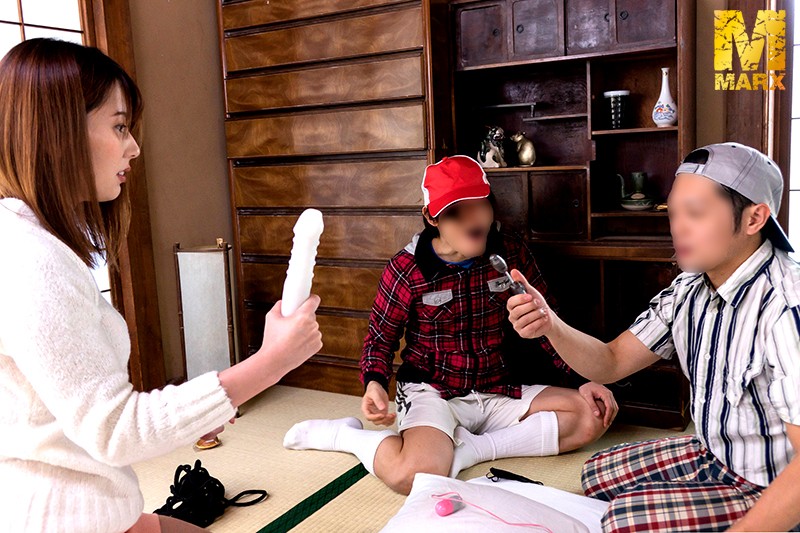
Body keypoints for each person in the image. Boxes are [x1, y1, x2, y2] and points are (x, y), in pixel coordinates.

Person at [0, 39, 322, 533]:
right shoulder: (29, 259)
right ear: (57, 132)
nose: (133, 147)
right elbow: (116, 430)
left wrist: (200, 410)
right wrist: (271, 362)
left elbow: (80, 412)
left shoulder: (28, 240)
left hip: (87, 504)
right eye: (119, 126)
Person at [507, 142, 800, 532]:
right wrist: (550, 324)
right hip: (716, 452)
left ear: (754, 218)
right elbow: (610, 362)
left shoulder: (785, 307)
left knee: (620, 521)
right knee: (596, 473)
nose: (678, 227)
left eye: (695, 213)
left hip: (769, 483)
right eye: (674, 212)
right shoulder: (690, 288)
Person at [284, 155, 618, 495]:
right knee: (410, 477)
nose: (473, 219)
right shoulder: (406, 269)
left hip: (496, 386)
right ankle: (346, 436)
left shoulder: (510, 252)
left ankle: (471, 449)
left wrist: (583, 378)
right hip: (433, 390)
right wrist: (374, 384)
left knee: (593, 415)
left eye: (480, 205)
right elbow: (380, 340)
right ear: (433, 218)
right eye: (457, 212)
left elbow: (546, 323)